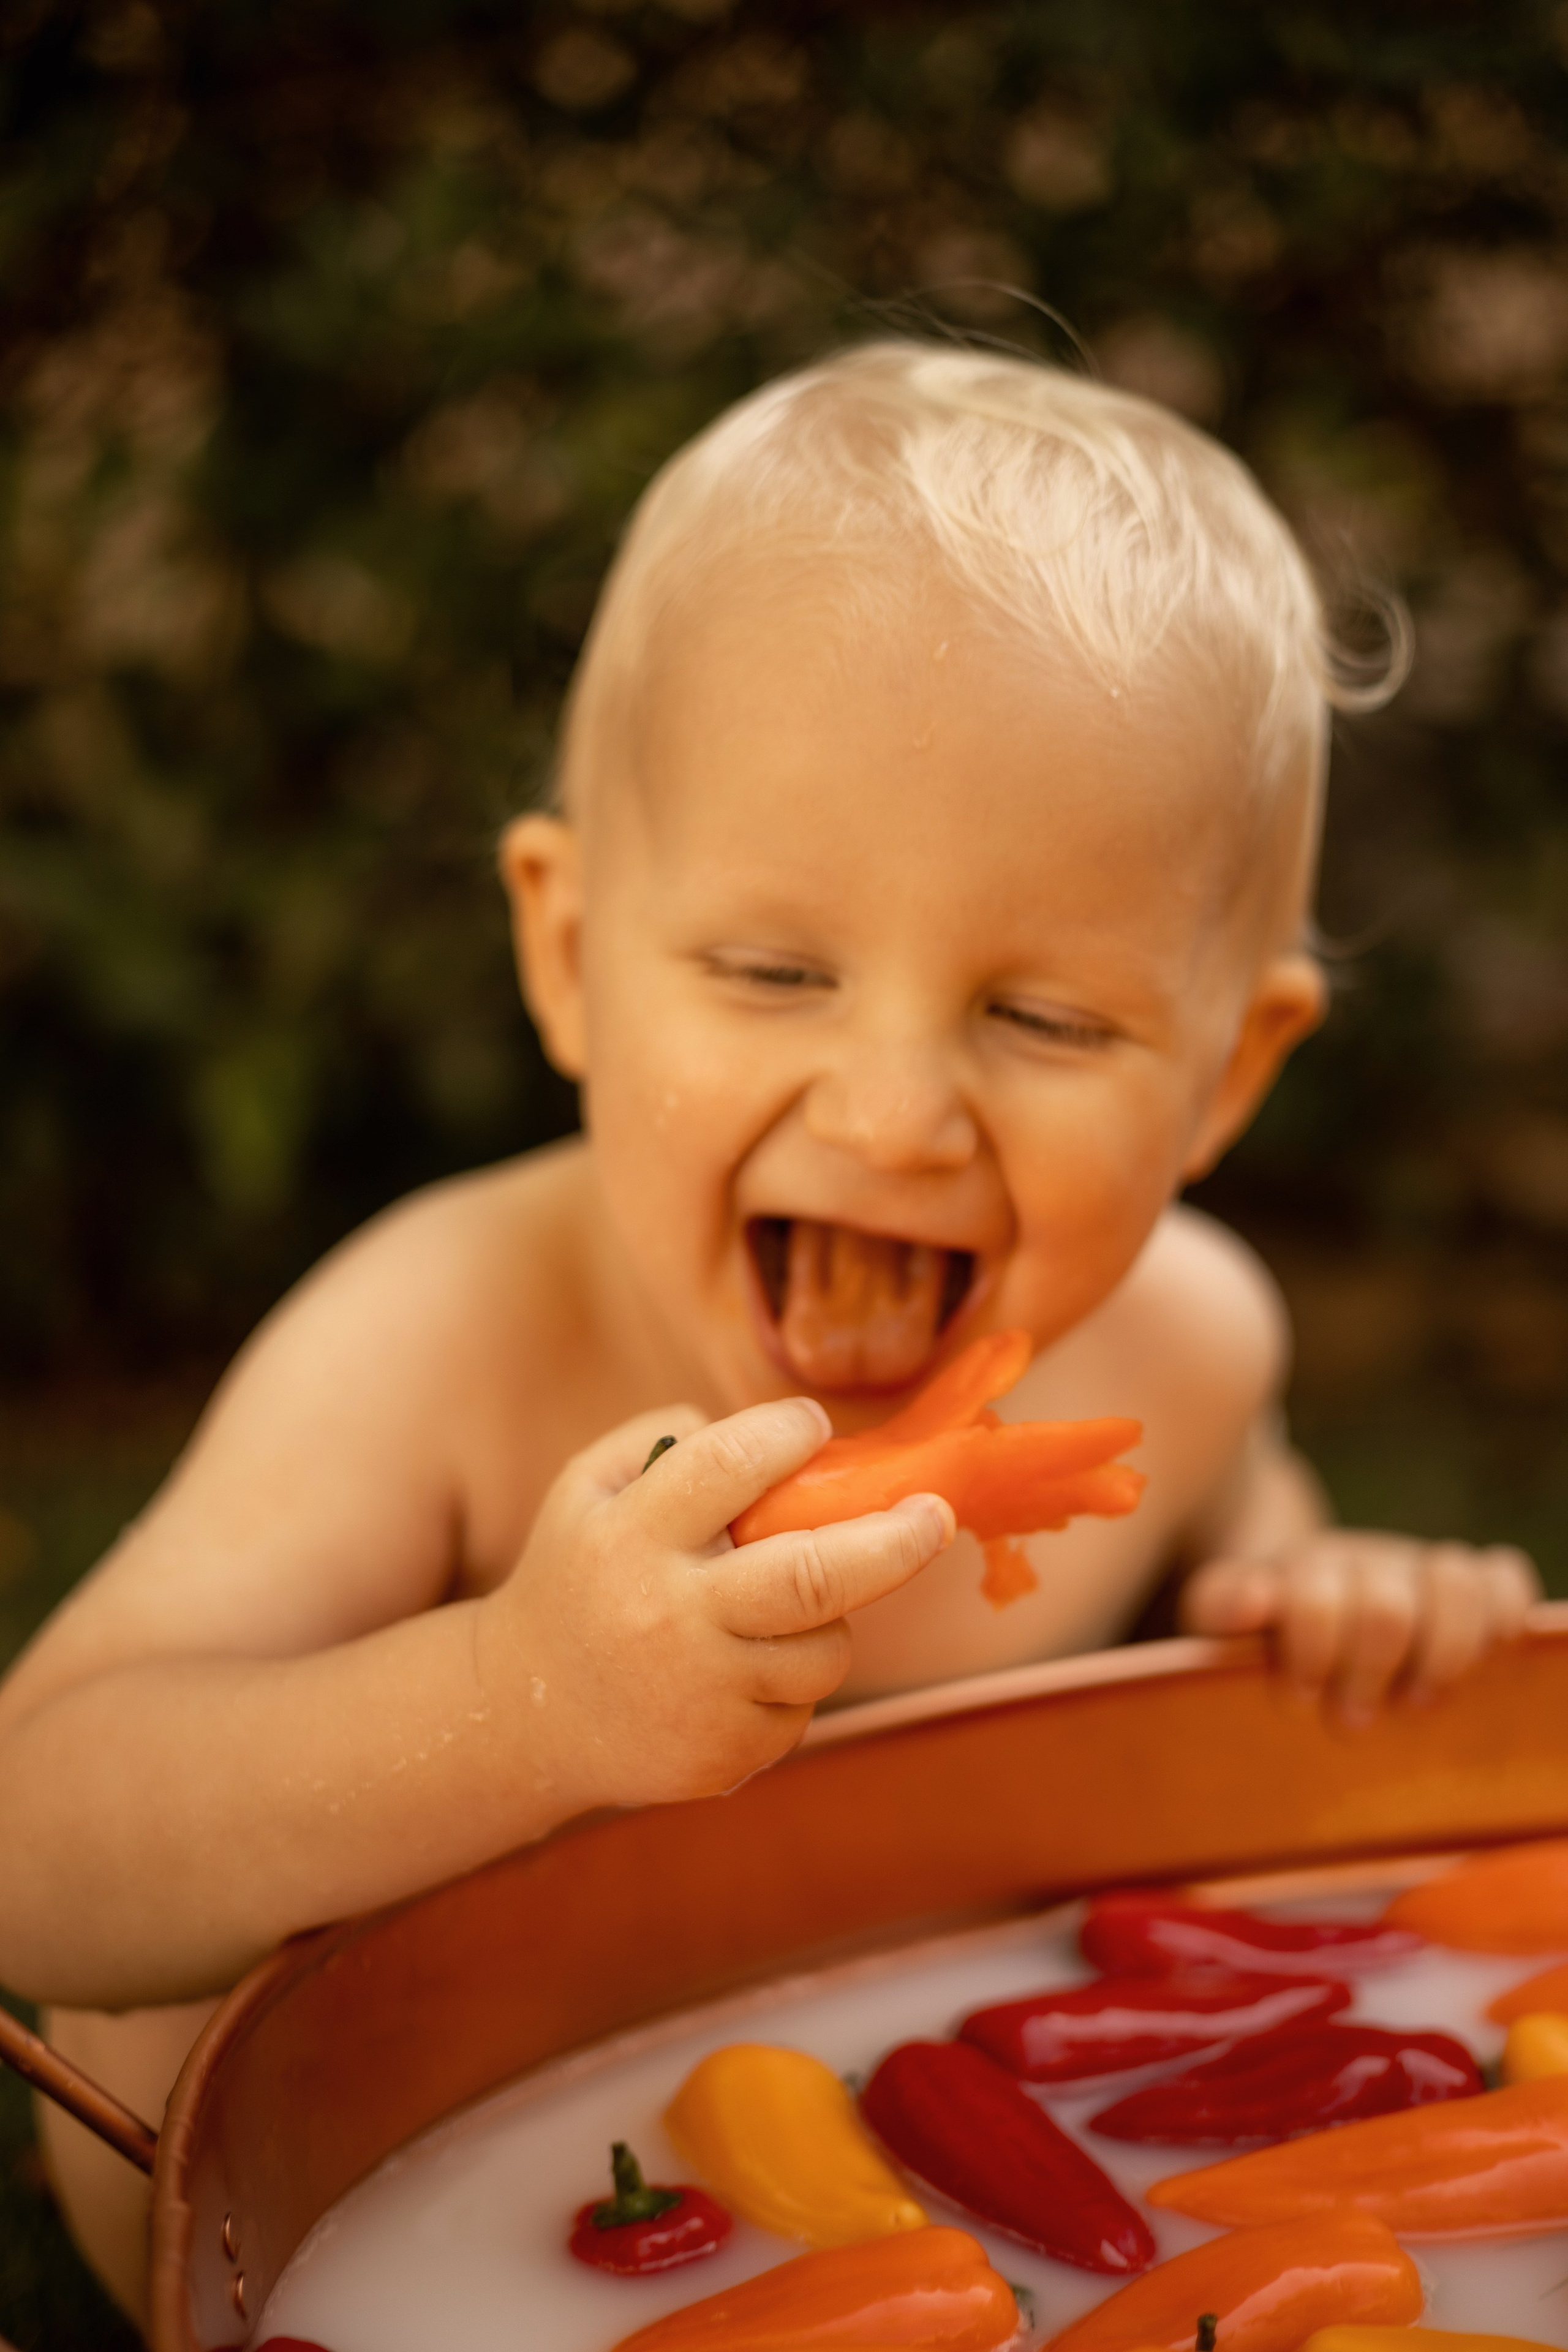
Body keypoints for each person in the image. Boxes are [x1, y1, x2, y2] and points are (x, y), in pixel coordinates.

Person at [0, 341, 1538, 2317]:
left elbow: (1242, 1553)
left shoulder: (1190, 1342)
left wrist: (1319, 1585)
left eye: (1048, 1019)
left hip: (887, 2164)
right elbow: (35, 1837)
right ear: (569, 956)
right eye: (772, 968)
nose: (894, 1112)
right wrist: (516, 1706)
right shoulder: (446, 1347)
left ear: (1226, 1080)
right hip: (378, 2204)